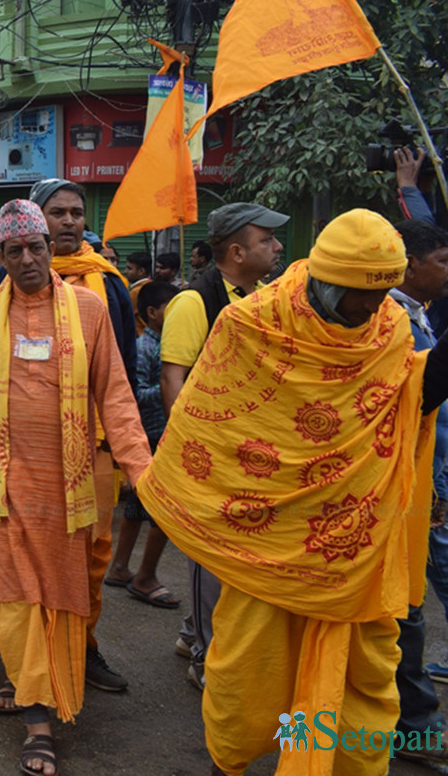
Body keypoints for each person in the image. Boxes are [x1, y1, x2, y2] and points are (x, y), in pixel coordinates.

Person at [140, 208, 448, 776]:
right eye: (358, 294)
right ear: (326, 279)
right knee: (250, 677)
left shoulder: (390, 328)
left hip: (353, 555)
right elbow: (213, 423)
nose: (369, 308)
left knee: (356, 682)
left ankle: (313, 759)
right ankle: (229, 762)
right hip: (268, 547)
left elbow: (407, 405)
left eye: (381, 295)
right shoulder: (253, 323)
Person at [0, 199, 151, 774]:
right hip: (4, 479)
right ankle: (38, 718)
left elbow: (116, 395)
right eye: (16, 251)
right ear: (0, 257)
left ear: (52, 248)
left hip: (68, 482)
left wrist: (141, 470)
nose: (29, 259)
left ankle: (30, 682)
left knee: (59, 593)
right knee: (14, 593)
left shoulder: (89, 309)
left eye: (38, 247)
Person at [159, 201, 289, 690]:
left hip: (251, 454)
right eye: (266, 241)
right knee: (209, 558)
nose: (276, 248)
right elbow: (174, 378)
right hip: (213, 458)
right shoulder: (194, 302)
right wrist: (197, 453)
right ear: (236, 251)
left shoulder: (263, 299)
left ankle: (193, 630)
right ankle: (204, 653)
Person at [387, 219, 448, 769]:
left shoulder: (417, 314)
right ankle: (417, 726)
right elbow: (418, 398)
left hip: (428, 480)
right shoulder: (388, 321)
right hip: (395, 489)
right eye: (443, 261)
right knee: (407, 611)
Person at [106, 280, 179, 608]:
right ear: (151, 313)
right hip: (150, 435)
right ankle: (144, 576)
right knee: (163, 509)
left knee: (137, 506)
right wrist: (172, 383)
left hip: (156, 434)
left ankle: (119, 567)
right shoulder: (146, 348)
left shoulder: (169, 343)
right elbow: (134, 394)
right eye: (170, 308)